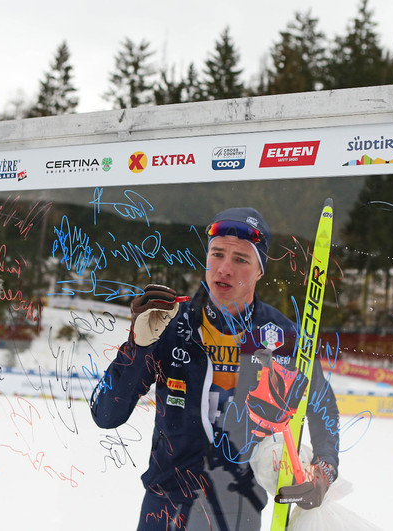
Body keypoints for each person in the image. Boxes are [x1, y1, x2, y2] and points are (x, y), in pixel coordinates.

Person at [91, 207, 340, 530]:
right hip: (167, 504)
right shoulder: (170, 324)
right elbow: (106, 414)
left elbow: (324, 411)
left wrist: (323, 472)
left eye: (241, 259)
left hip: (238, 508)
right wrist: (137, 348)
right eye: (217, 254)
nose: (224, 268)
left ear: (260, 271)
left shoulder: (280, 337)